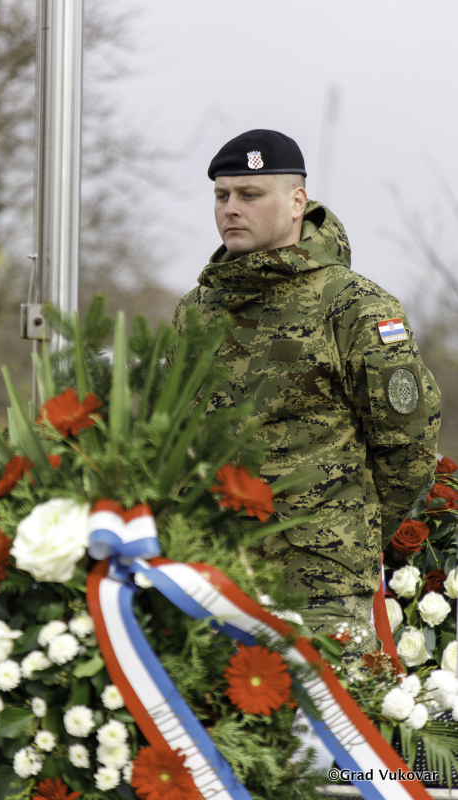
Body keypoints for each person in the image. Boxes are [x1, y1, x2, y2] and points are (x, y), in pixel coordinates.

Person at [172, 129, 441, 653]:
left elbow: (407, 448)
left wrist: (347, 534)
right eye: (221, 196)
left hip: (320, 591)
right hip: (209, 580)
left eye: (250, 195)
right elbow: (176, 437)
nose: (231, 209)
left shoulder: (354, 306)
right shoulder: (195, 311)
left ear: (297, 202)